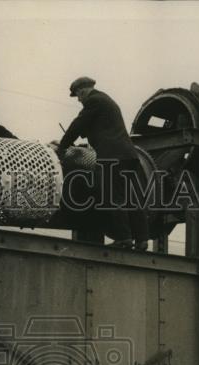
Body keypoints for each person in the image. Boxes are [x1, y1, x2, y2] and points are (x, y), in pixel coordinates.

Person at [57, 77, 149, 251]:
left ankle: (123, 239)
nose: (78, 100)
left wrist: (62, 146)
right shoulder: (106, 100)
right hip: (129, 155)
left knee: (113, 196)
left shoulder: (94, 101)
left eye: (77, 95)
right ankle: (142, 240)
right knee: (131, 198)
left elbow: (78, 125)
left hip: (112, 156)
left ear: (83, 91)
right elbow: (98, 127)